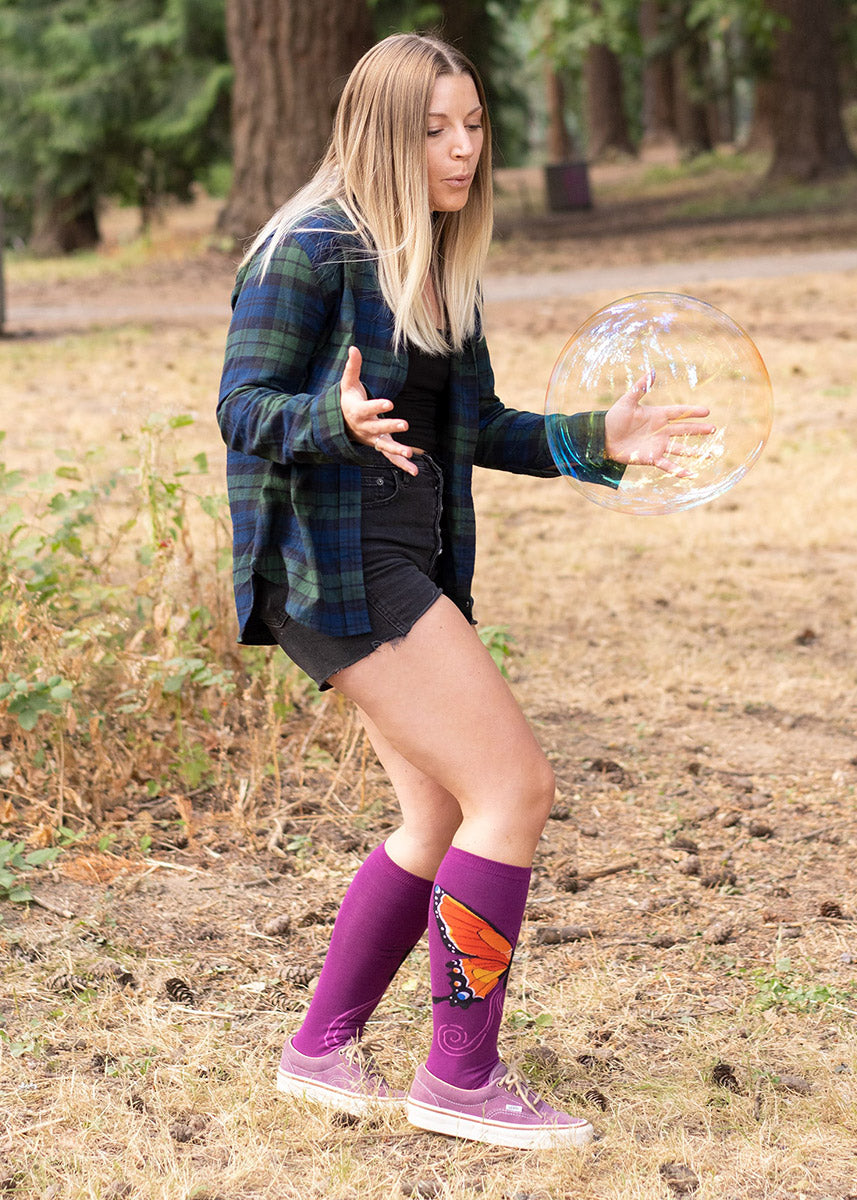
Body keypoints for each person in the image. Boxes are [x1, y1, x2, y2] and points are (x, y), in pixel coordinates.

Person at [217, 33, 713, 1151]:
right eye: (435, 127)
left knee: (439, 813)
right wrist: (327, 419)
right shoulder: (308, 248)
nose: (461, 147)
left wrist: (604, 438)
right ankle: (460, 1078)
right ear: (383, 133)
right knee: (513, 790)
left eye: (474, 124)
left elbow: (478, 427)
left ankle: (320, 1050)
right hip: (335, 566)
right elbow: (241, 406)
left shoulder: (434, 263)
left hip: (403, 557)